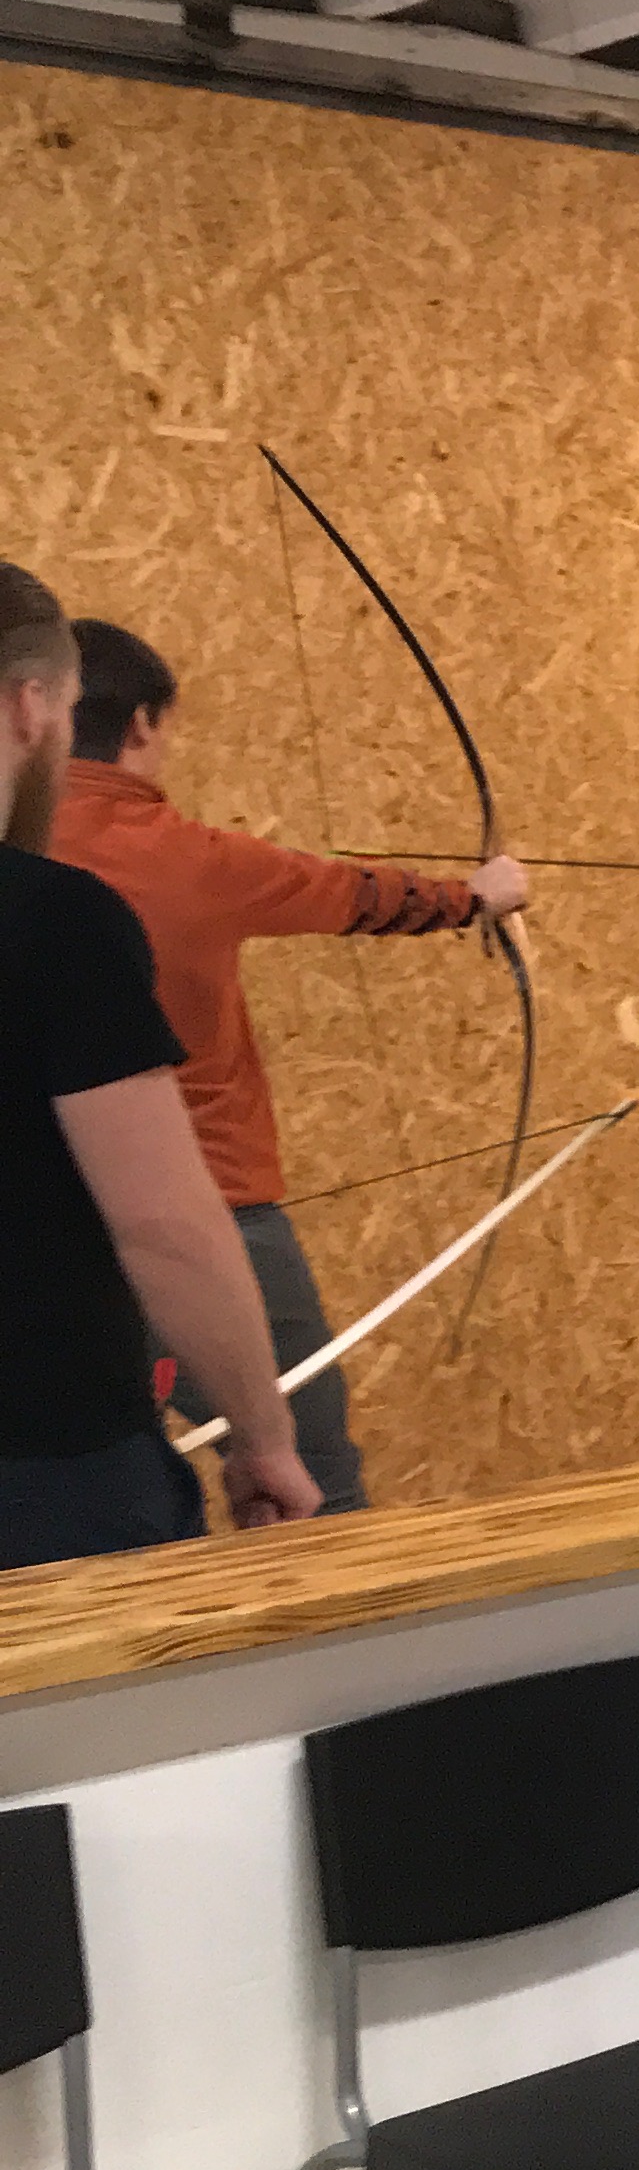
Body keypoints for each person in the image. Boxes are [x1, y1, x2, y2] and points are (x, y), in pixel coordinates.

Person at [52, 617, 527, 1514]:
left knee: (89, 1499)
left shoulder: (21, 863)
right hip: (213, 1219)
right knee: (311, 1490)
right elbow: (355, 894)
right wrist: (477, 896)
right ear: (142, 724)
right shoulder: (192, 859)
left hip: (39, 1243)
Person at [0, 567, 315, 1567]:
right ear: (31, 706)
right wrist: (263, 1439)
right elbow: (164, 1224)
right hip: (47, 1473)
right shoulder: (56, 920)